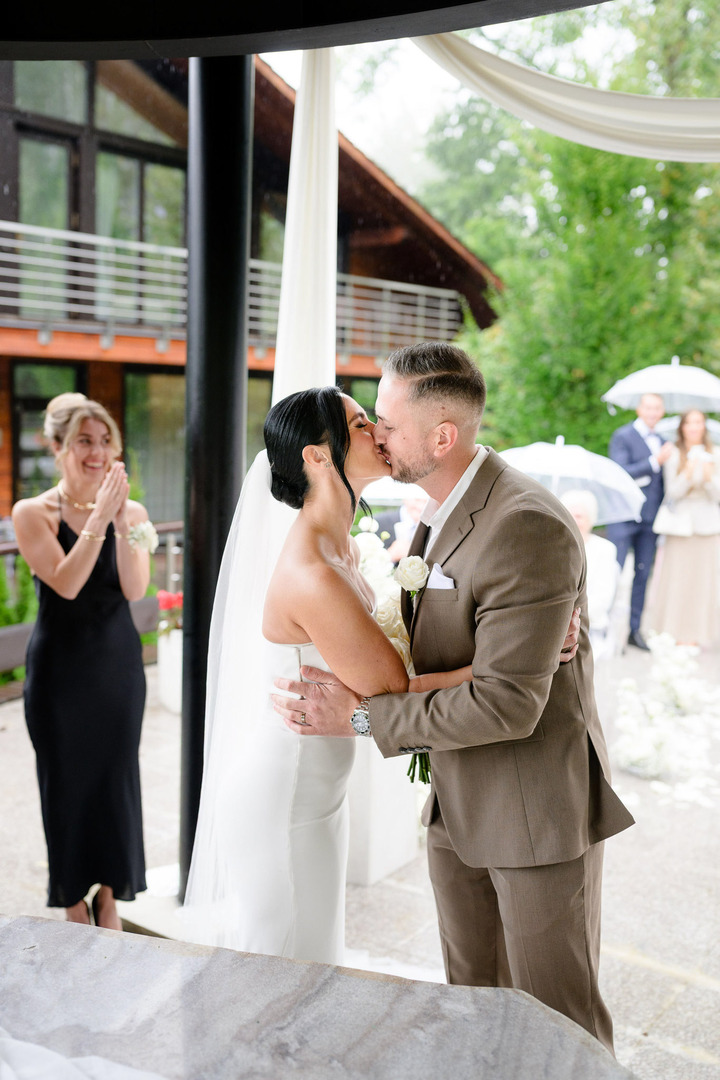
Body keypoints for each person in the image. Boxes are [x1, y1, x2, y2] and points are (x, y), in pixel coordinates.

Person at [272, 343, 634, 1054]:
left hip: (531, 811)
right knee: (474, 1005)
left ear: (442, 437)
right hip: (455, 803)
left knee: (558, 1023)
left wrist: (356, 715)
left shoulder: (525, 523)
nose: (375, 435)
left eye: (386, 421)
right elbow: (441, 648)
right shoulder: (432, 512)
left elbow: (507, 705)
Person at [182, 385, 582, 963]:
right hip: (286, 793)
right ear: (318, 456)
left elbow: (398, 646)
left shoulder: (344, 544)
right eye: (362, 423)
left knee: (314, 957)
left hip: (319, 790)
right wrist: (525, 657)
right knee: (284, 964)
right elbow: (391, 689)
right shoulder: (314, 573)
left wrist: (524, 632)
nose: (380, 434)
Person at [12, 393, 152, 930]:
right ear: (57, 448)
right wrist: (97, 514)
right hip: (60, 676)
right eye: (83, 441)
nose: (96, 451)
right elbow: (67, 583)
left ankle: (111, 898)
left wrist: (118, 517)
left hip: (117, 670)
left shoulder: (131, 511)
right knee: (66, 785)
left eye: (105, 440)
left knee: (116, 781)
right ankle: (73, 898)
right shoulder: (32, 513)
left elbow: (136, 587)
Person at [606, 393, 673, 650]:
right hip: (624, 516)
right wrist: (654, 461)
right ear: (639, 409)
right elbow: (620, 471)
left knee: (643, 574)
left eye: (657, 407)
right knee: (616, 570)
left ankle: (635, 630)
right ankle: (606, 631)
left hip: (651, 519)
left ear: (662, 411)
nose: (653, 411)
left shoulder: (664, 441)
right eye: (648, 407)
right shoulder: (623, 436)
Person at [650, 409, 720, 647]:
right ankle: (674, 631)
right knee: (678, 580)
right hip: (680, 525)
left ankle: (700, 634)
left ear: (704, 426)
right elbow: (672, 493)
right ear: (682, 427)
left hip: (709, 525)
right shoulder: (674, 454)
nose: (693, 427)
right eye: (689, 423)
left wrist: (709, 478)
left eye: (698, 422)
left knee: (704, 582)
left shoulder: (716, 453)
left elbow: (717, 496)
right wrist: (688, 474)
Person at [560, 490, 620, 660]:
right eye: (569, 514)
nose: (574, 520)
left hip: (590, 630)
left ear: (590, 519)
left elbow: (603, 599)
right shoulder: (554, 546)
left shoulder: (605, 550)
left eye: (579, 516)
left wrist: (568, 619)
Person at [375, 492, 427, 564]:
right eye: (417, 500)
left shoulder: (435, 526)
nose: (421, 506)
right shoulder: (378, 523)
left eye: (426, 501)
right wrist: (389, 556)